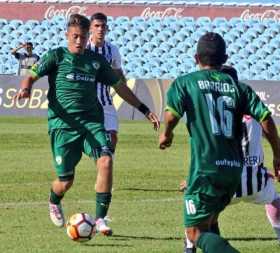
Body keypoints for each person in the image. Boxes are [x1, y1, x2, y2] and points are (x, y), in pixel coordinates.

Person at [14, 14, 160, 236]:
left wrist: (145, 109)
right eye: (75, 37)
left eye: (83, 37)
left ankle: (100, 219)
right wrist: (26, 88)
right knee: (65, 181)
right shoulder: (56, 56)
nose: (79, 42)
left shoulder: (95, 61)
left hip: (92, 123)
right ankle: (54, 200)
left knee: (106, 159)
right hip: (63, 126)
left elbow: (120, 86)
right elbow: (31, 75)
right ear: (67, 35)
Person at [159, 32, 280, 253]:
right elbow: (265, 118)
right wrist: (278, 154)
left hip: (206, 169)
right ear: (224, 59)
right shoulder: (239, 88)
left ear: (196, 58)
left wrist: (166, 134)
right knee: (210, 222)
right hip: (233, 172)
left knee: (194, 232)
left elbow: (171, 116)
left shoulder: (185, 83)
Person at [181, 65, 280, 253]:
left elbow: (208, 151)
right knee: (275, 200)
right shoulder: (251, 106)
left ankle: (190, 247)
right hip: (256, 183)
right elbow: (268, 130)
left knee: (197, 206)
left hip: (225, 180)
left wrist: (193, 180)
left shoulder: (212, 115)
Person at [87, 12, 124, 152]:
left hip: (106, 101)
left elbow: (118, 73)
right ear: (90, 28)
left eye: (103, 26)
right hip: (86, 102)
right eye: (97, 26)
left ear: (107, 28)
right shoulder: (84, 48)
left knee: (113, 137)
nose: (100, 29)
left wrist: (124, 87)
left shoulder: (112, 50)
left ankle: (107, 167)